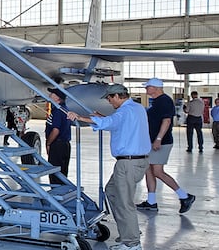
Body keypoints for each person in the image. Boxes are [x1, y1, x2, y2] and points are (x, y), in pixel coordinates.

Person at [66, 84, 149, 250]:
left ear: (117, 96)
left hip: (127, 163)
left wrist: (80, 118)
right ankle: (128, 233)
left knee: (124, 203)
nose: (110, 102)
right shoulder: (138, 108)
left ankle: (132, 243)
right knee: (111, 191)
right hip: (138, 161)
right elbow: (117, 123)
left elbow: (111, 121)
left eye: (110, 98)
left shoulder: (124, 112)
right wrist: (102, 117)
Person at [136, 77, 195, 214]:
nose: (146, 89)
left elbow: (167, 121)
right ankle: (151, 202)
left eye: (148, 87)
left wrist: (158, 139)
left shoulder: (164, 101)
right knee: (149, 169)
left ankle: (185, 196)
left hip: (161, 142)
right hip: (152, 141)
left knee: (157, 171)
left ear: (155, 88)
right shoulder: (156, 102)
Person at [45, 87, 71, 184]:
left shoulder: (58, 111)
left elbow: (55, 130)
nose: (49, 95)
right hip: (64, 145)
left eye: (52, 94)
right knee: (62, 173)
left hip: (57, 145)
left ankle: (55, 196)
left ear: (57, 98)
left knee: (55, 174)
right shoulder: (64, 109)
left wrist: (48, 143)